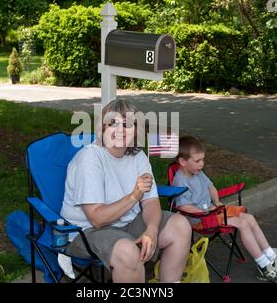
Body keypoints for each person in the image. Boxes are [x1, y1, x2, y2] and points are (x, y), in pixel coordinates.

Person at [60, 99, 192, 283]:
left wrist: (152, 230)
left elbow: (150, 200)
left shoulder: (137, 155)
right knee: (129, 252)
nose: (121, 130)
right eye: (113, 123)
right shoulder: (90, 158)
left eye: (128, 124)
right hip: (87, 231)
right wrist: (133, 196)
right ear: (103, 127)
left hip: (128, 223)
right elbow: (97, 219)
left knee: (181, 226)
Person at [172, 135, 277, 283]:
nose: (202, 164)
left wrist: (217, 201)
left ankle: (271, 255)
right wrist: (204, 212)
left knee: (249, 218)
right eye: (198, 161)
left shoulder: (197, 172)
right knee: (242, 223)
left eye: (203, 160)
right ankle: (264, 265)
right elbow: (182, 206)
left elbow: (210, 186)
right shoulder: (180, 181)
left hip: (214, 211)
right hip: (201, 219)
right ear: (183, 162)